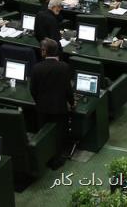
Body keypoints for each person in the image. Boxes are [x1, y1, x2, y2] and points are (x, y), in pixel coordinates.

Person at [30, 38, 74, 169]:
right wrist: (72, 103)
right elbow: (68, 90)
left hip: (42, 108)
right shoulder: (64, 67)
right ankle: (57, 160)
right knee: (58, 135)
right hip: (59, 108)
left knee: (44, 134)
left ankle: (45, 158)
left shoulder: (37, 68)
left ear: (44, 52)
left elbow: (33, 90)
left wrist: (40, 101)